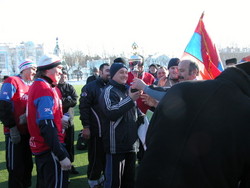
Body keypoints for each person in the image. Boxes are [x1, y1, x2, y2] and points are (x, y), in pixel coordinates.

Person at [136, 57, 250, 188]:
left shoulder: (181, 89)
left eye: (182, 70)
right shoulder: (244, 110)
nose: (179, 74)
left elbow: (151, 136)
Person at [27, 54, 71, 188]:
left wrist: (59, 121)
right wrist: (61, 155)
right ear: (47, 69)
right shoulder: (44, 88)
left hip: (46, 146)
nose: (61, 72)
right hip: (49, 148)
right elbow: (46, 125)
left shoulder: (43, 86)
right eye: (58, 68)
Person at [99, 62, 144, 188]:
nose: (125, 75)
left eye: (125, 72)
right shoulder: (108, 91)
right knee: (114, 183)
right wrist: (130, 100)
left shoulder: (127, 90)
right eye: (121, 72)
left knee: (129, 182)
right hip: (116, 146)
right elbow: (111, 112)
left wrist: (146, 117)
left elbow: (135, 112)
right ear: (113, 74)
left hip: (131, 145)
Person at [0, 59, 36, 188]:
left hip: (28, 132)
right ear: (23, 69)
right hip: (14, 133)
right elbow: (3, 105)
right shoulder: (12, 81)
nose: (35, 71)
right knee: (16, 167)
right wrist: (12, 127)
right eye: (32, 68)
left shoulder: (30, 85)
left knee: (28, 165)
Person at [79, 63, 110, 188]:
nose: (109, 73)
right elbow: (83, 108)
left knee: (106, 158)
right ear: (100, 72)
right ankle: (93, 181)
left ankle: (102, 179)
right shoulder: (90, 87)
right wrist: (86, 127)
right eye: (107, 70)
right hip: (96, 130)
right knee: (95, 157)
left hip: (109, 131)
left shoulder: (112, 86)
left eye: (110, 71)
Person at [57, 68, 79, 175]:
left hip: (69, 119)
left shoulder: (69, 87)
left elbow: (75, 100)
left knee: (70, 143)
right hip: (58, 120)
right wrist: (66, 101)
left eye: (65, 77)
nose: (63, 78)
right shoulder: (55, 87)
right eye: (61, 76)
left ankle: (70, 164)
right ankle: (61, 164)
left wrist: (63, 103)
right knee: (61, 142)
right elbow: (57, 104)